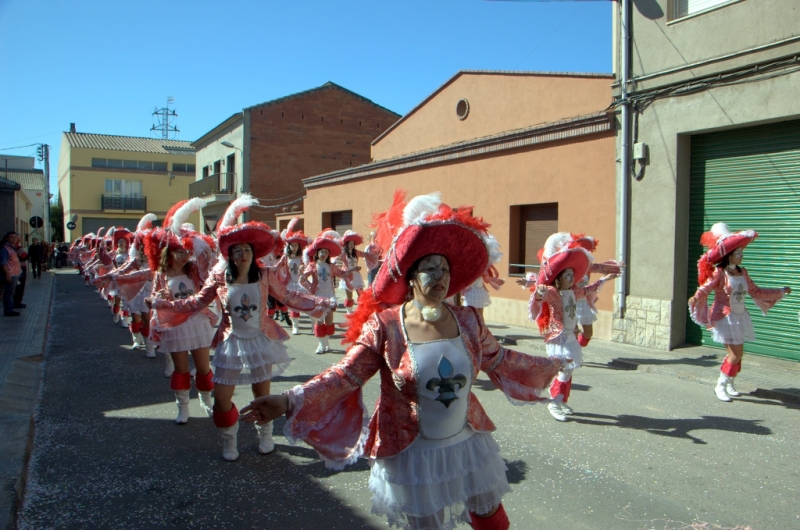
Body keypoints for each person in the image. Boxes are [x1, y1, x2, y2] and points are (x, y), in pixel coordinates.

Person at [240, 192, 564, 530]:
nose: (440, 277)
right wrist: (287, 400)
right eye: (429, 269)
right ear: (410, 277)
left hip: (467, 442)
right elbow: (346, 376)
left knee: (492, 520)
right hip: (411, 452)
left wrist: (552, 367)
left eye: (445, 270)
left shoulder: (468, 320)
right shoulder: (386, 326)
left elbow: (500, 359)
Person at [148, 195, 334, 460]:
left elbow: (290, 297)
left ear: (253, 253)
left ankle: (266, 434)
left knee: (262, 393)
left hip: (262, 338)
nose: (243, 254)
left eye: (247, 249)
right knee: (222, 397)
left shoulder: (266, 274)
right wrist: (161, 304)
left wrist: (323, 302)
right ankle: (229, 437)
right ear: (230, 255)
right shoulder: (219, 276)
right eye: (237, 251)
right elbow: (195, 302)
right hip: (230, 341)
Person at [520, 232, 618, 422]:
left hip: (570, 336)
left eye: (573, 275)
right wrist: (536, 289)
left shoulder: (574, 291)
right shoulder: (553, 292)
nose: (572, 278)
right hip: (558, 338)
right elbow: (541, 293)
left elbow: (589, 290)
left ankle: (560, 400)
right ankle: (553, 402)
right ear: (559, 277)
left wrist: (605, 279)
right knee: (563, 368)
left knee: (569, 369)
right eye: (567, 275)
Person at [688, 223, 791, 402]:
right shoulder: (719, 273)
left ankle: (730, 383)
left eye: (742, 253)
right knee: (734, 355)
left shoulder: (743, 272)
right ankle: (720, 385)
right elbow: (705, 288)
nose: (741, 256)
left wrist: (780, 291)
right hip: (724, 318)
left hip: (740, 316)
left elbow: (756, 292)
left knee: (737, 356)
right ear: (729, 256)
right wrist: (695, 298)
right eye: (738, 253)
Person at [300, 230, 352, 354]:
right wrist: (309, 286)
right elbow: (303, 280)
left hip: (330, 296)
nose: (323, 254)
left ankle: (326, 342)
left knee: (329, 323)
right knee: (320, 321)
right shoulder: (312, 265)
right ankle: (321, 345)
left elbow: (342, 273)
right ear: (317, 253)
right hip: (318, 296)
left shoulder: (331, 266)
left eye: (326, 252)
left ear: (329, 255)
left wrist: (352, 270)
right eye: (321, 251)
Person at [277, 218, 311, 335]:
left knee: (306, 303)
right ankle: (295, 327)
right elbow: (277, 266)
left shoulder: (302, 257)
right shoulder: (286, 257)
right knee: (293, 306)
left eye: (296, 246)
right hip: (291, 283)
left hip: (302, 283)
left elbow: (309, 267)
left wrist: (304, 270)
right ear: (289, 246)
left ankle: (313, 323)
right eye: (292, 246)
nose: (294, 247)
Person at [1, 231, 22, 316]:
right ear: (7, 238)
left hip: (15, 273)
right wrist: (7, 274)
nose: (14, 239)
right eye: (11, 237)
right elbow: (3, 263)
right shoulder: (5, 249)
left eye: (15, 237)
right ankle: (8, 310)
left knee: (11, 292)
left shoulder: (12, 248)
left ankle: (10, 308)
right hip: (10, 274)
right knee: (9, 293)